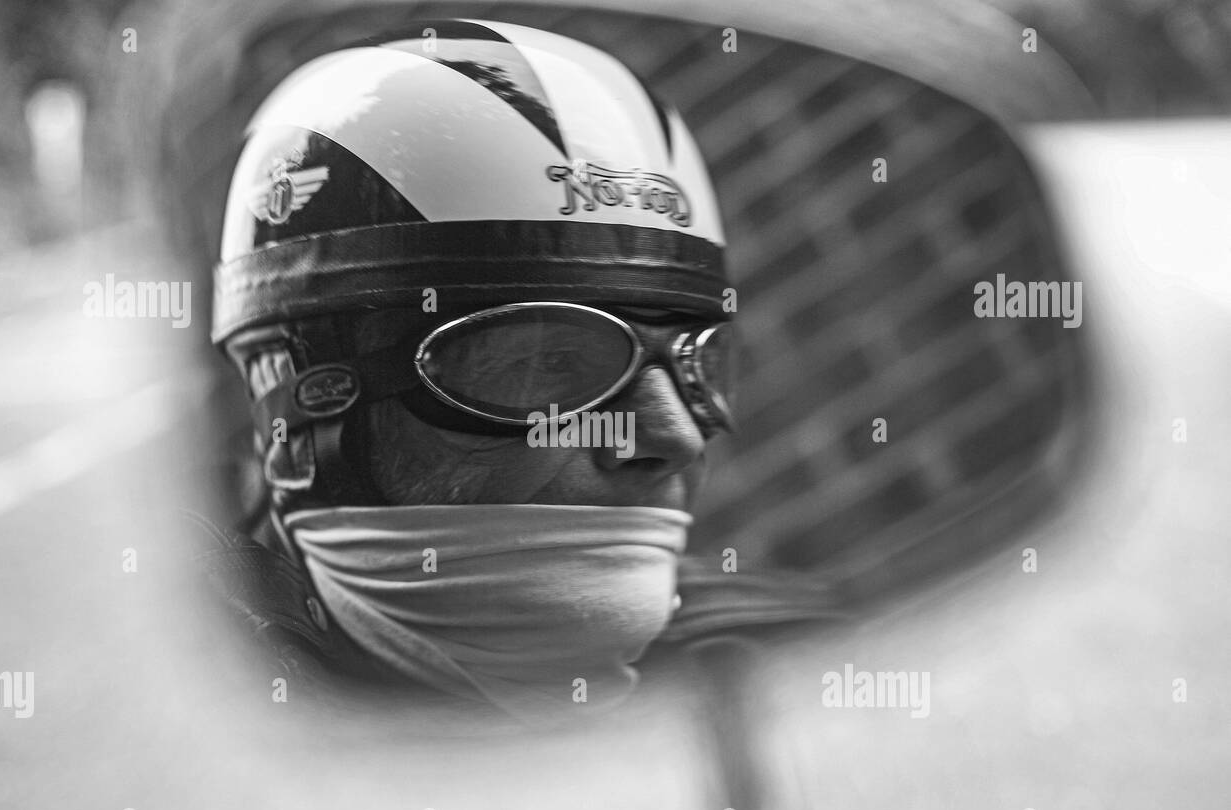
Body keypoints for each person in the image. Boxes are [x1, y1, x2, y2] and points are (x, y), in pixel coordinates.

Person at [187, 19, 841, 722]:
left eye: (697, 362)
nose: (675, 435)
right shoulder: (211, 733)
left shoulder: (785, 657)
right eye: (547, 363)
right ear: (292, 412)